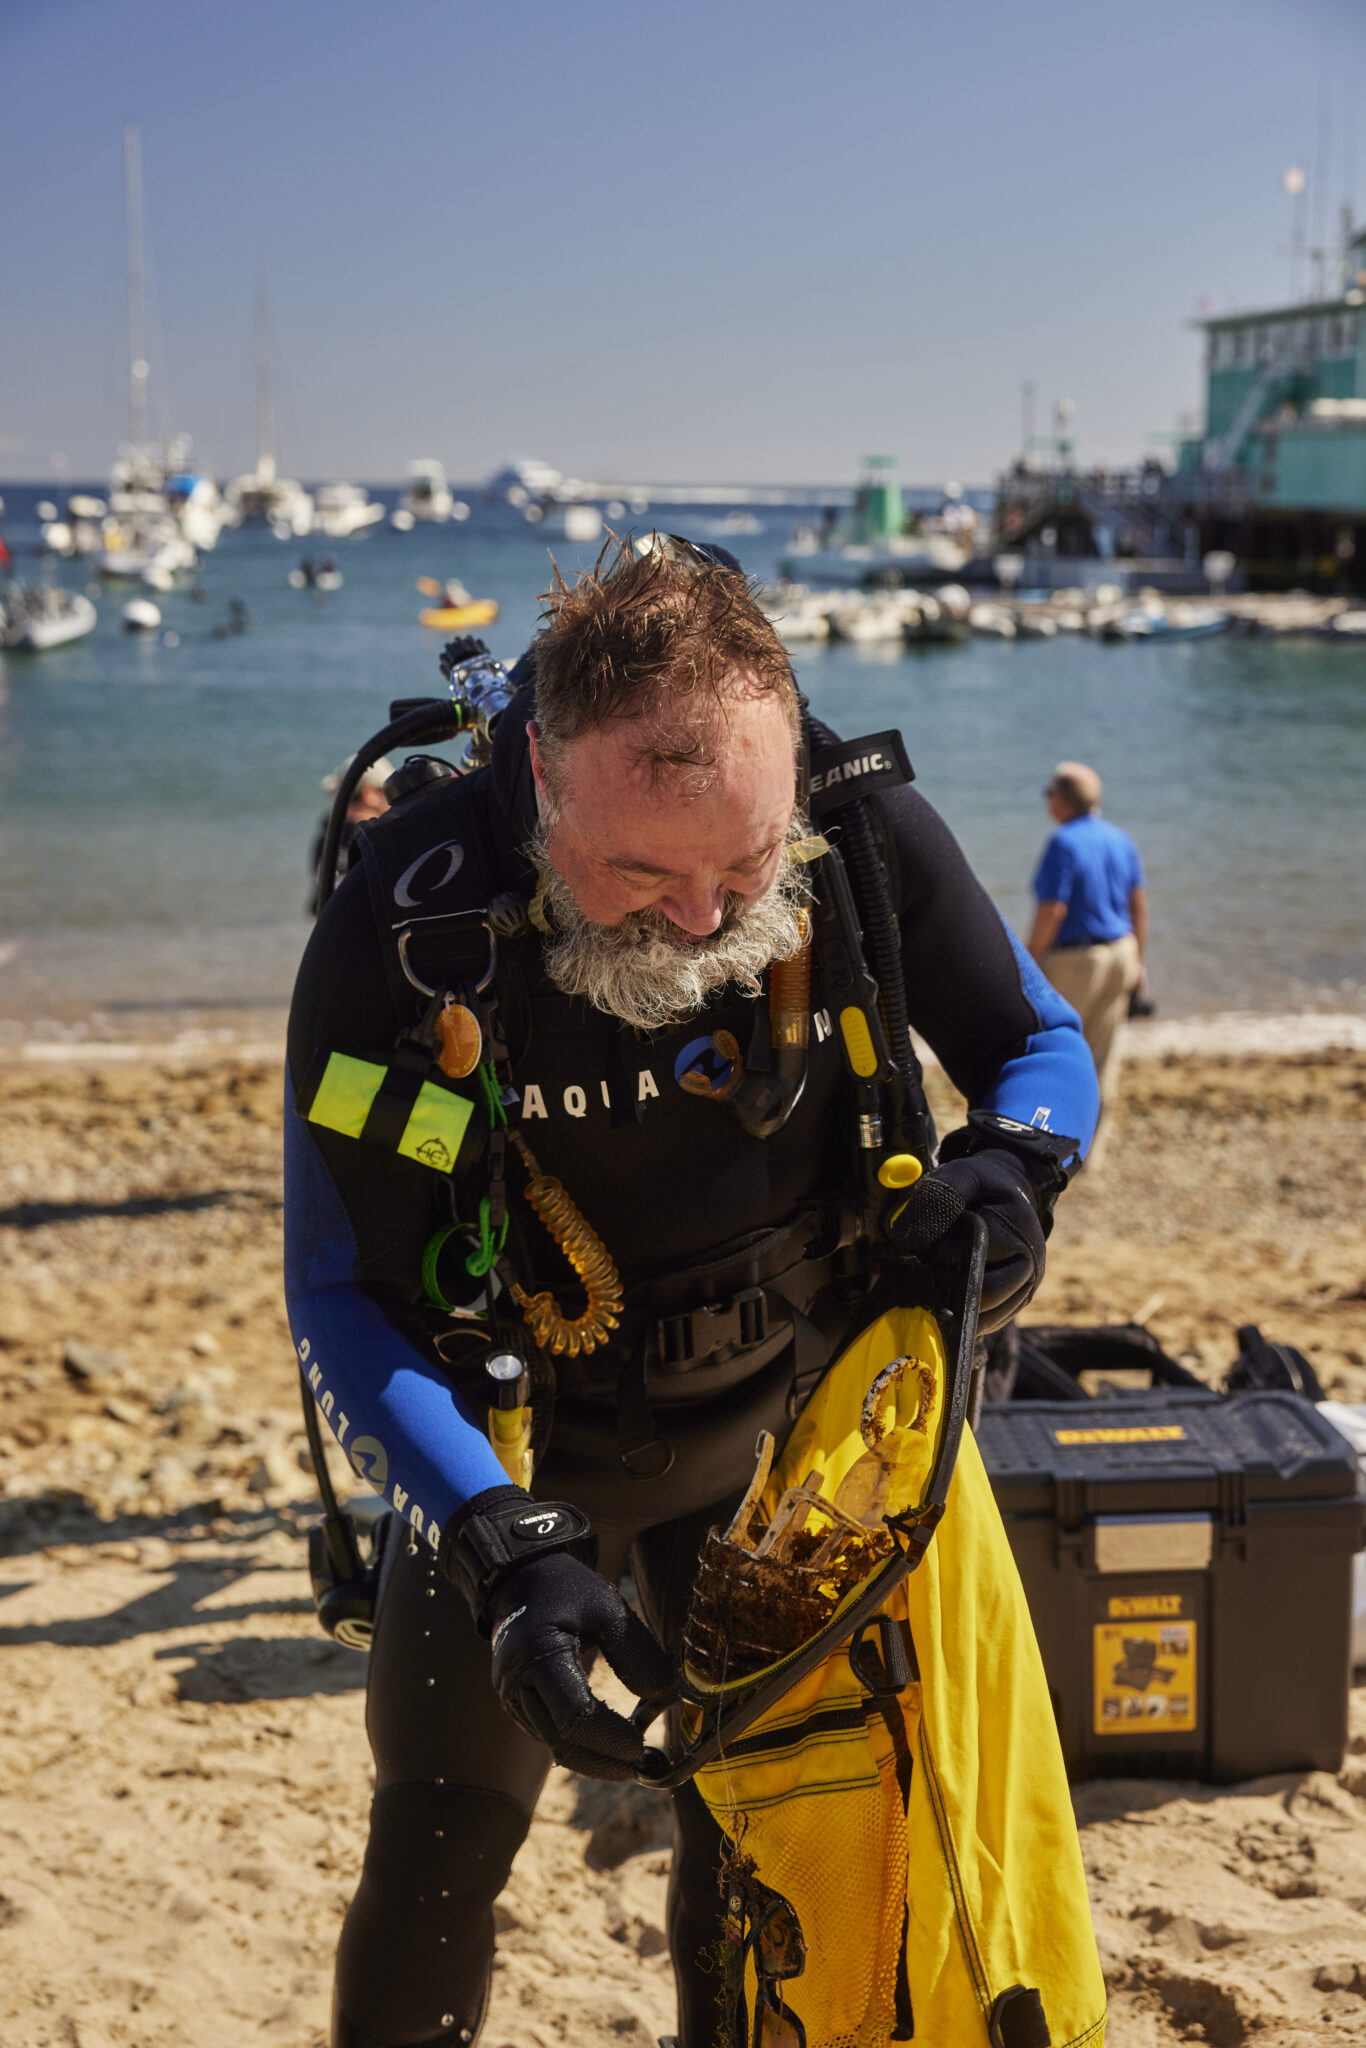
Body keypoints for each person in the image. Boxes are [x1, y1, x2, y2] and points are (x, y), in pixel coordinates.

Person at [284, 540, 1100, 2048]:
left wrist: (1013, 1170)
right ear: (540, 773)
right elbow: (339, 1292)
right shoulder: (407, 922)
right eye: (640, 873)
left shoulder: (851, 832)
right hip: (517, 1465)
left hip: (778, 1453)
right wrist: (501, 1547)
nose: (704, 921)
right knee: (442, 1849)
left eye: (741, 866)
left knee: (760, 1853)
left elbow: (1038, 1046)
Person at [1027, 760, 1147, 1150]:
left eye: (1050, 794)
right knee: (1103, 1057)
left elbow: (1052, 910)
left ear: (1061, 800)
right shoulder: (1120, 838)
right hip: (1121, 951)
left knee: (1056, 1051)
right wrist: (1140, 962)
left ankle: (1052, 1147)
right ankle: (1089, 1153)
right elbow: (1138, 906)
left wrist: (1028, 960)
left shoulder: (1063, 841)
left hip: (1078, 959)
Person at [307, 755, 394, 914]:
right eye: (388, 791)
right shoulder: (382, 839)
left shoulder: (326, 839)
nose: (394, 800)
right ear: (369, 795)